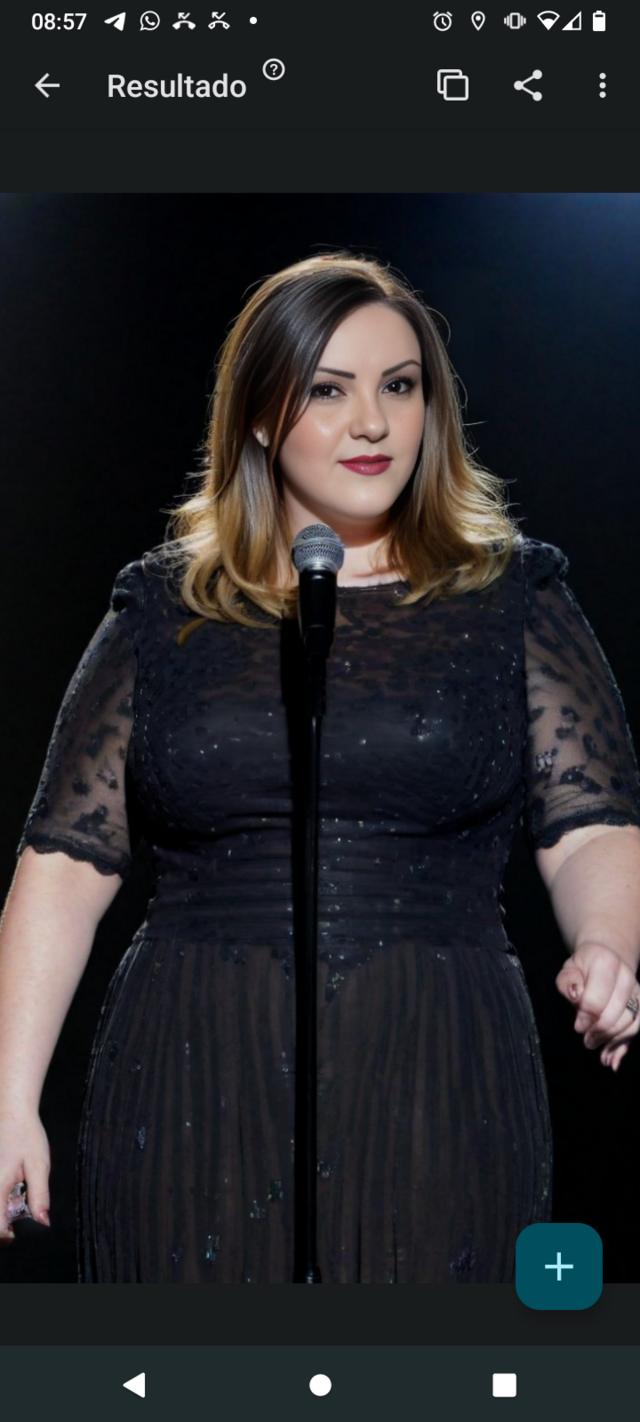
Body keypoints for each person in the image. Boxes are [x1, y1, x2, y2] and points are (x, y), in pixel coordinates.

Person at [1, 251, 640, 1282]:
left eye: (400, 386)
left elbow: (592, 821)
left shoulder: (512, 595)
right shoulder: (164, 608)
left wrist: (608, 943)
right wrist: (8, 1097)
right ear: (259, 415)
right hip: (191, 1080)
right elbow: (65, 865)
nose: (374, 423)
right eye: (329, 391)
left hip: (438, 1073)